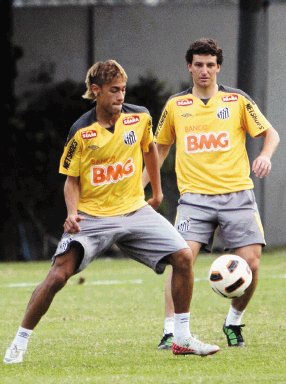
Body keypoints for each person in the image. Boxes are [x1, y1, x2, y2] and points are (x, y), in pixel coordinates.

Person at [3, 59, 220, 364]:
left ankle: (181, 338)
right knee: (58, 276)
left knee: (183, 257)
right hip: (92, 217)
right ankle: (19, 342)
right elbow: (71, 181)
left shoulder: (140, 117)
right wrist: (71, 213)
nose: (120, 96)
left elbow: (150, 152)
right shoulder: (82, 131)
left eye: (123, 89)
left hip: (134, 210)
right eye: (114, 90)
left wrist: (156, 192)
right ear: (96, 91)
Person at [143, 38, 280, 350]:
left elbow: (271, 133)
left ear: (218, 67)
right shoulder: (176, 106)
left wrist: (265, 156)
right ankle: (171, 331)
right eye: (198, 64)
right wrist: (137, 189)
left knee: (252, 264)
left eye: (210, 65)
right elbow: (159, 149)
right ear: (189, 67)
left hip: (237, 194)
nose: (204, 70)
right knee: (182, 259)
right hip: (194, 199)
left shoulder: (237, 101)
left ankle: (233, 322)